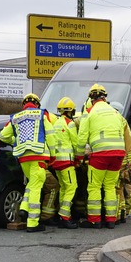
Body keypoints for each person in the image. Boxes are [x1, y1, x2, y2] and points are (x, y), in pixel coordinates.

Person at [0, 93, 56, 232]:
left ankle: (24, 208)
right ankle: (33, 223)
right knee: (37, 187)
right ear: (37, 104)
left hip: (23, 158)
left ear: (24, 104)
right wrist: (53, 154)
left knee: (31, 184)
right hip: (38, 156)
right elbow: (51, 135)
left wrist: (16, 142)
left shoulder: (16, 118)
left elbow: (2, 136)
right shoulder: (42, 115)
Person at [76, 84, 126, 229]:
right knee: (110, 186)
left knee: (94, 186)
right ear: (105, 97)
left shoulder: (90, 112)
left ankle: (94, 220)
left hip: (101, 154)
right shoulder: (115, 112)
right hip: (118, 153)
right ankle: (111, 220)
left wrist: (79, 157)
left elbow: (82, 137)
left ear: (91, 99)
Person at [50, 97, 80, 229]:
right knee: (72, 187)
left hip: (57, 162)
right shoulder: (70, 124)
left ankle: (62, 214)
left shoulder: (56, 123)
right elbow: (76, 143)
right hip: (67, 162)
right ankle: (64, 216)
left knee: (64, 188)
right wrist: (79, 158)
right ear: (71, 111)